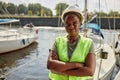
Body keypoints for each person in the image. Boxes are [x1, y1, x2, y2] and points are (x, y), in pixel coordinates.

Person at [47, 5, 96, 80]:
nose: (71, 27)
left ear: (80, 23)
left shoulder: (88, 43)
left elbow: (90, 71)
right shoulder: (58, 41)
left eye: (74, 23)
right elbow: (50, 65)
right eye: (68, 24)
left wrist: (59, 69)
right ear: (64, 25)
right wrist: (77, 65)